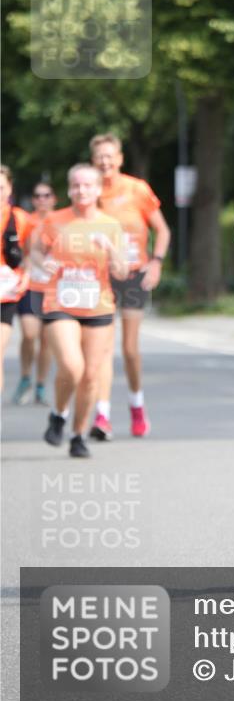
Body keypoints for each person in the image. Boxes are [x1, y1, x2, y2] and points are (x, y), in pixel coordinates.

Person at [35, 164, 128, 458]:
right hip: (59, 302)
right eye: (76, 185)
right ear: (69, 189)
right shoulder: (55, 220)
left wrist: (111, 250)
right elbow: (35, 250)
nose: (81, 190)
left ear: (99, 189)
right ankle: (59, 412)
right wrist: (43, 261)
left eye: (88, 185)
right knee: (72, 367)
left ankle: (77, 434)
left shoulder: (111, 225)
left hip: (97, 305)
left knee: (90, 375)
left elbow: (123, 271)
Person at [88, 133, 170, 440]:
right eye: (100, 157)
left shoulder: (137, 189)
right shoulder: (90, 193)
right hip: (102, 276)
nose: (105, 162)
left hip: (135, 274)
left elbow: (161, 230)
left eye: (110, 156)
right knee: (102, 347)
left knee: (130, 349)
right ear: (93, 161)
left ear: (120, 159)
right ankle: (102, 415)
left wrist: (157, 262)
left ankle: (137, 406)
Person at [11, 182, 57, 405]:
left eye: (46, 195)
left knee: (46, 340)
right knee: (29, 334)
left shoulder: (62, 221)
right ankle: (25, 376)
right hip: (30, 285)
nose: (41, 199)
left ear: (54, 199)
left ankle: (39, 384)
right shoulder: (26, 221)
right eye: (37, 196)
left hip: (52, 288)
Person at [0, 165, 31, 397]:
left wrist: (27, 274)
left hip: (6, 294)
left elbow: (34, 252)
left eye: (1, 187)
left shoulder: (21, 218)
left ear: (9, 188)